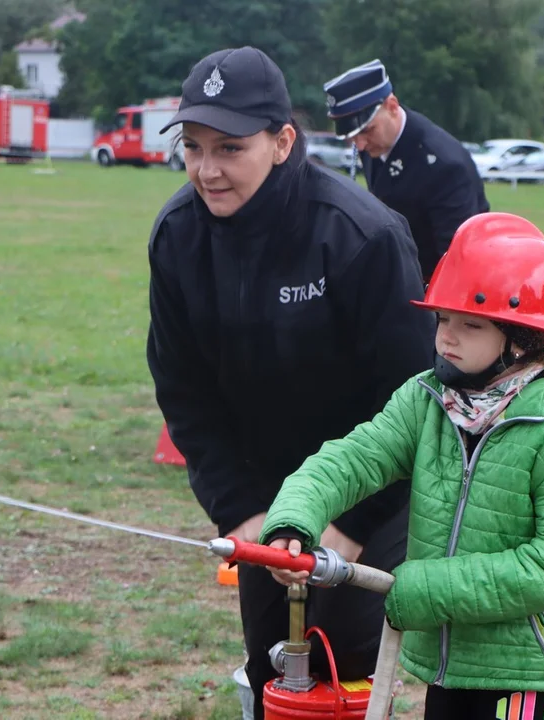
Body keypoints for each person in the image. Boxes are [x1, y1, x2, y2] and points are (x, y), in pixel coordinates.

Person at [144, 46, 435, 719]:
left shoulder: (361, 237)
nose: (206, 169)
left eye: (229, 148)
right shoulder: (176, 238)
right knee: (270, 656)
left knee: (345, 657)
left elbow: (415, 397)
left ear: (281, 143)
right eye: (192, 147)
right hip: (266, 491)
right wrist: (242, 510)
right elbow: (184, 393)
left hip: (375, 485)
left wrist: (349, 522)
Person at [258, 212, 544, 720]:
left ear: (523, 339)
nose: (447, 337)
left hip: (526, 678)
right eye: (442, 319)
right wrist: (294, 517)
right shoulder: (425, 401)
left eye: (470, 324)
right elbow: (354, 458)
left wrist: (429, 589)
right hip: (446, 666)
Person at [323, 59, 491, 282]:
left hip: (431, 290)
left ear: (392, 106)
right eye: (353, 137)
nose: (360, 145)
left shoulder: (444, 165)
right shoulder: (374, 143)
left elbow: (457, 260)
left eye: (367, 131)